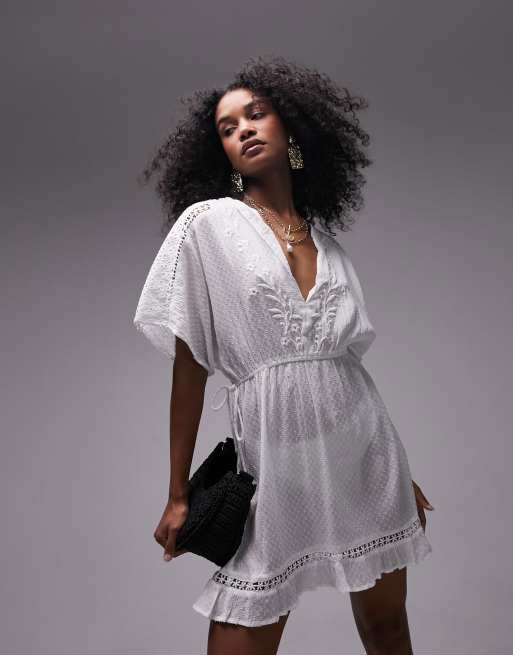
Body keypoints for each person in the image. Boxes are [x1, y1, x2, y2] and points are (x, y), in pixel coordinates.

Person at [133, 55, 434, 655]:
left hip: (364, 459)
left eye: (256, 114)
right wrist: (178, 492)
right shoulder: (208, 226)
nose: (243, 129)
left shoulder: (329, 245)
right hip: (273, 470)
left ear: (290, 129)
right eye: (227, 128)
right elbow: (189, 367)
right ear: (220, 153)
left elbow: (346, 372)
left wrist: (400, 474)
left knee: (387, 630)